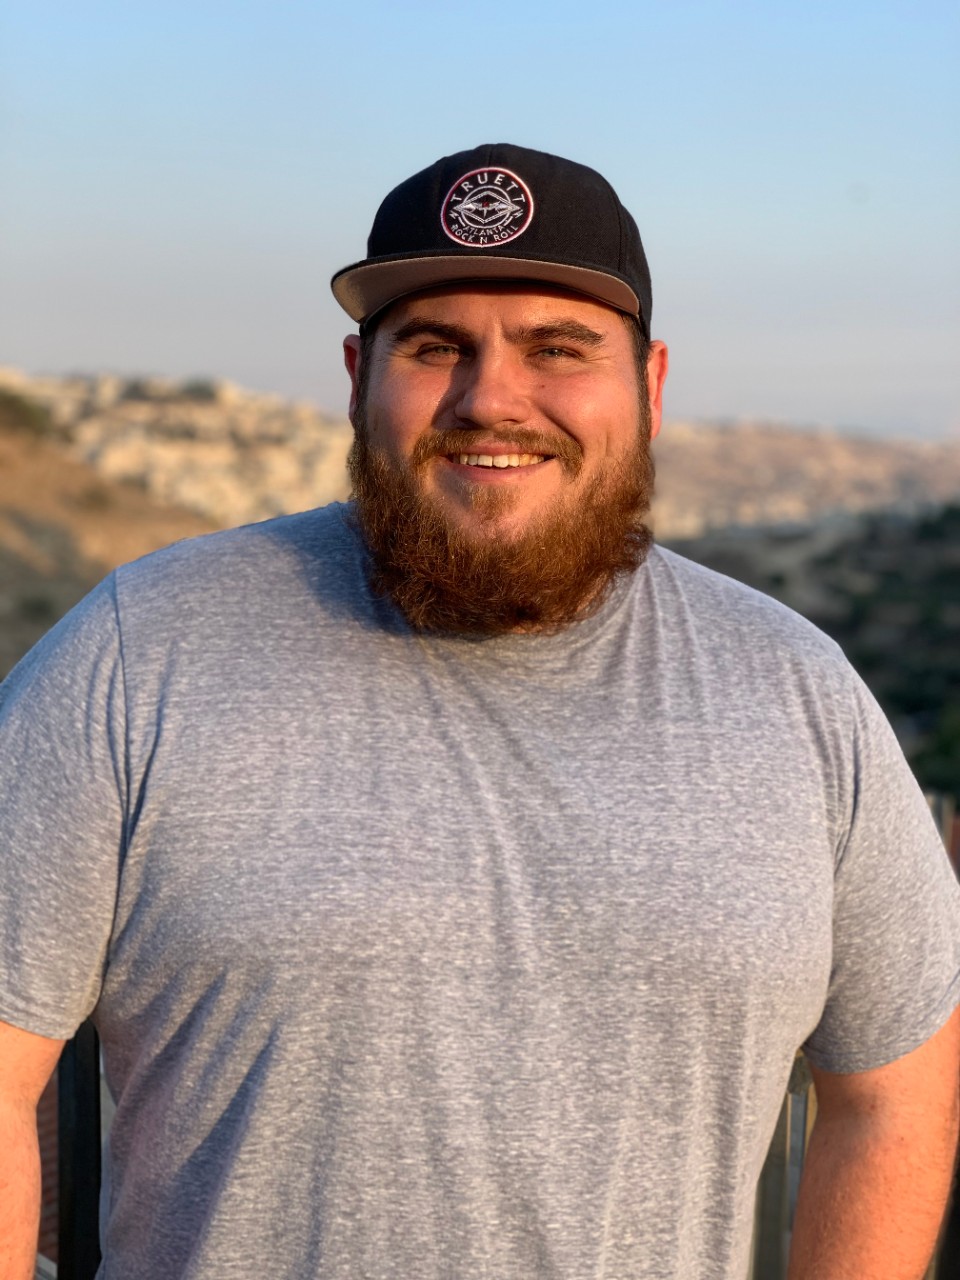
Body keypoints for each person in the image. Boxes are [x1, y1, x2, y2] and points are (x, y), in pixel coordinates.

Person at [1, 142, 958, 1280]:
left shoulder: (799, 695)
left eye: (558, 348)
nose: (491, 397)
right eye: (434, 345)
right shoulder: (136, 650)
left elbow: (895, 1094)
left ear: (649, 386)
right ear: (358, 373)